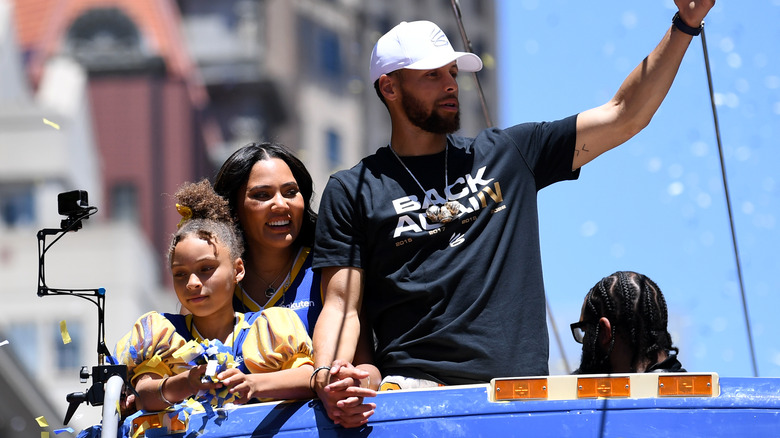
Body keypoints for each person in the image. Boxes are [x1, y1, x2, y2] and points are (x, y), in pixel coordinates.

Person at [311, 0, 713, 395]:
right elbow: (342, 307)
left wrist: (685, 25)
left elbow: (624, 114)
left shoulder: (510, 153)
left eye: (452, 71)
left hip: (517, 395)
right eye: (432, 75)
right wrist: (327, 378)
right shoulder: (353, 189)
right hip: (417, 391)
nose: (451, 83)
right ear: (390, 87)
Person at [214, 142, 379, 427]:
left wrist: (353, 386)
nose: (281, 204)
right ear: (234, 209)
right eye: (262, 195)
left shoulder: (330, 270)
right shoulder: (216, 281)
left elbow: (368, 367)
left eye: (291, 192)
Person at [114, 179, 315, 411]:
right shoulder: (162, 334)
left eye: (206, 269)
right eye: (180, 274)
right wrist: (187, 383)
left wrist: (253, 384)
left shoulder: (271, 328)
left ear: (237, 270)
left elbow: (308, 378)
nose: (192, 283)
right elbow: (144, 395)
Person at [571, 271, 685, 374]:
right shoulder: (693, 393)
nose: (583, 345)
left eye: (585, 330)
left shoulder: (571, 396)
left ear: (605, 331)